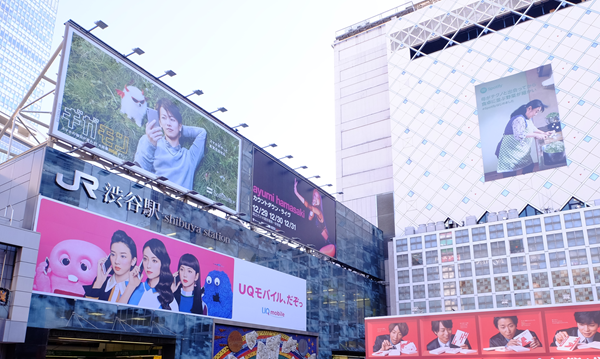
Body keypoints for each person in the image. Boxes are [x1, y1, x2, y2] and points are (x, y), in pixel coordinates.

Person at [134, 98, 207, 190]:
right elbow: (138, 174)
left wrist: (180, 129)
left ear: (180, 125)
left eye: (172, 119)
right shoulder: (149, 140)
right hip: (154, 199)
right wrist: (151, 144)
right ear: (159, 122)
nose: (168, 123)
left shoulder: (189, 157)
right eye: (164, 118)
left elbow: (202, 133)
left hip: (180, 203)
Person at [495, 99, 555, 177]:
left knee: (529, 166)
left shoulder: (528, 119)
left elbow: (533, 129)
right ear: (529, 108)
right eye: (536, 111)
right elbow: (519, 135)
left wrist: (544, 133)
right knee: (510, 173)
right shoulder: (519, 119)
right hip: (509, 151)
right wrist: (536, 135)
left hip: (517, 151)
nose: (536, 114)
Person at [119, 238, 178, 311]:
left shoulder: (169, 299)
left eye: (154, 260)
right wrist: (131, 286)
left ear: (162, 263)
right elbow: (116, 313)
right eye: (145, 259)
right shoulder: (131, 287)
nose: (148, 265)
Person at [84, 230, 137, 302]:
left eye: (123, 256)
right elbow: (84, 309)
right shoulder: (100, 281)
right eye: (113, 254)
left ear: (133, 261)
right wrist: (98, 283)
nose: (116, 261)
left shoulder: (136, 289)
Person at [293, 179, 333, 255]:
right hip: (323, 243)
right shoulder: (315, 210)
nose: (314, 198)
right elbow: (309, 218)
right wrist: (313, 205)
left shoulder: (318, 211)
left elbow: (307, 205)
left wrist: (296, 192)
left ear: (319, 199)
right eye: (313, 196)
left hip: (328, 243)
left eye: (315, 196)